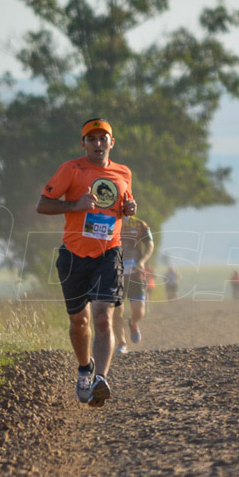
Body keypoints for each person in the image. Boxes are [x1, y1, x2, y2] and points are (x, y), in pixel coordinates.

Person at [36, 118, 136, 407]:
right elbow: (43, 205)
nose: (97, 143)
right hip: (74, 255)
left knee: (104, 317)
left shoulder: (123, 172)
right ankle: (84, 369)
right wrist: (74, 206)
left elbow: (124, 204)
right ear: (83, 144)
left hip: (108, 253)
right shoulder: (71, 169)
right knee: (80, 321)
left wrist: (130, 207)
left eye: (102, 138)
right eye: (91, 139)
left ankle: (100, 379)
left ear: (111, 143)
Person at [115, 215, 154, 354]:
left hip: (135, 272)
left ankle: (133, 323)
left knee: (139, 310)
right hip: (114, 273)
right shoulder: (109, 221)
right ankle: (121, 343)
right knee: (116, 310)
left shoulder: (139, 224)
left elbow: (150, 244)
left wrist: (142, 261)